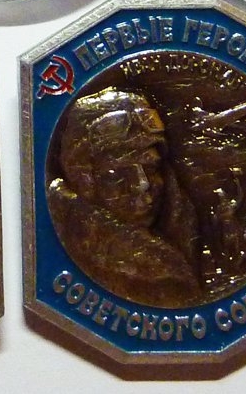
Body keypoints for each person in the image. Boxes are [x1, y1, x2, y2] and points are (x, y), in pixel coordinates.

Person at [47, 87, 201, 307]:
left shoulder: (180, 225)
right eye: (116, 174)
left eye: (151, 167)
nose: (142, 184)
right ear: (85, 180)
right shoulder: (64, 238)